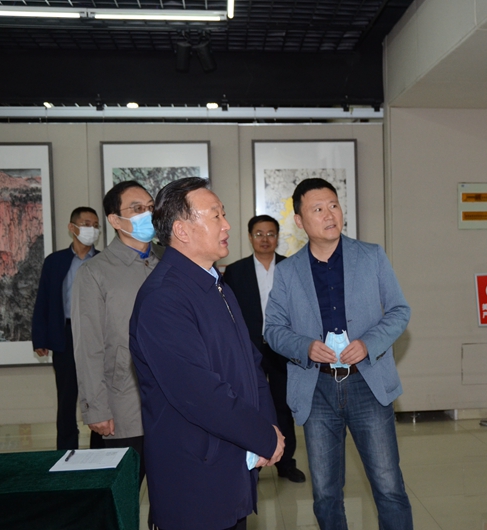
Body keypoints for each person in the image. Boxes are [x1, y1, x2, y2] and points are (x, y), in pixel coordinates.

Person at [129, 177, 285, 530]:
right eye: (216, 216)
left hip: (231, 463)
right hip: (196, 476)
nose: (227, 225)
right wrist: (262, 436)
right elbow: (199, 393)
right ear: (182, 231)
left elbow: (251, 365)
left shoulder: (216, 285)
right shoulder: (164, 298)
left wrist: (268, 426)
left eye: (223, 214)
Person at [264, 178, 413, 530]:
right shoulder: (287, 272)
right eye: (318, 209)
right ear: (299, 221)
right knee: (326, 494)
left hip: (367, 384)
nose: (329, 214)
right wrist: (304, 347)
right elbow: (273, 330)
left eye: (333, 205)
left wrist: (369, 343)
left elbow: (399, 311)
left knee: (389, 487)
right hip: (316, 390)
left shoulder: (371, 256)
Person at [71, 181, 159, 483]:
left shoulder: (168, 262)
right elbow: (88, 346)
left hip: (172, 406)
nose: (147, 214)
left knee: (173, 498)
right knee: (123, 495)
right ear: (115, 220)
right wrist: (95, 408)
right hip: (124, 407)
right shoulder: (94, 272)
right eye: (137, 209)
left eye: (150, 207)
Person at [223, 214, 306, 483]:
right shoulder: (236, 271)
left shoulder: (291, 267)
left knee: (284, 406)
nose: (265, 239)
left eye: (270, 234)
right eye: (259, 234)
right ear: (250, 237)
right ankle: (254, 462)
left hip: (283, 348)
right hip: (250, 349)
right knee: (252, 405)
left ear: (277, 237)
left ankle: (286, 463)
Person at [31, 206, 103, 450]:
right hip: (66, 335)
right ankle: (66, 451)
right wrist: (40, 338)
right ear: (72, 228)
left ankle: (100, 448)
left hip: (97, 335)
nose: (92, 229)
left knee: (98, 393)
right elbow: (43, 301)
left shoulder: (103, 261)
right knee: (66, 396)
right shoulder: (55, 262)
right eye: (86, 224)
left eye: (96, 225)